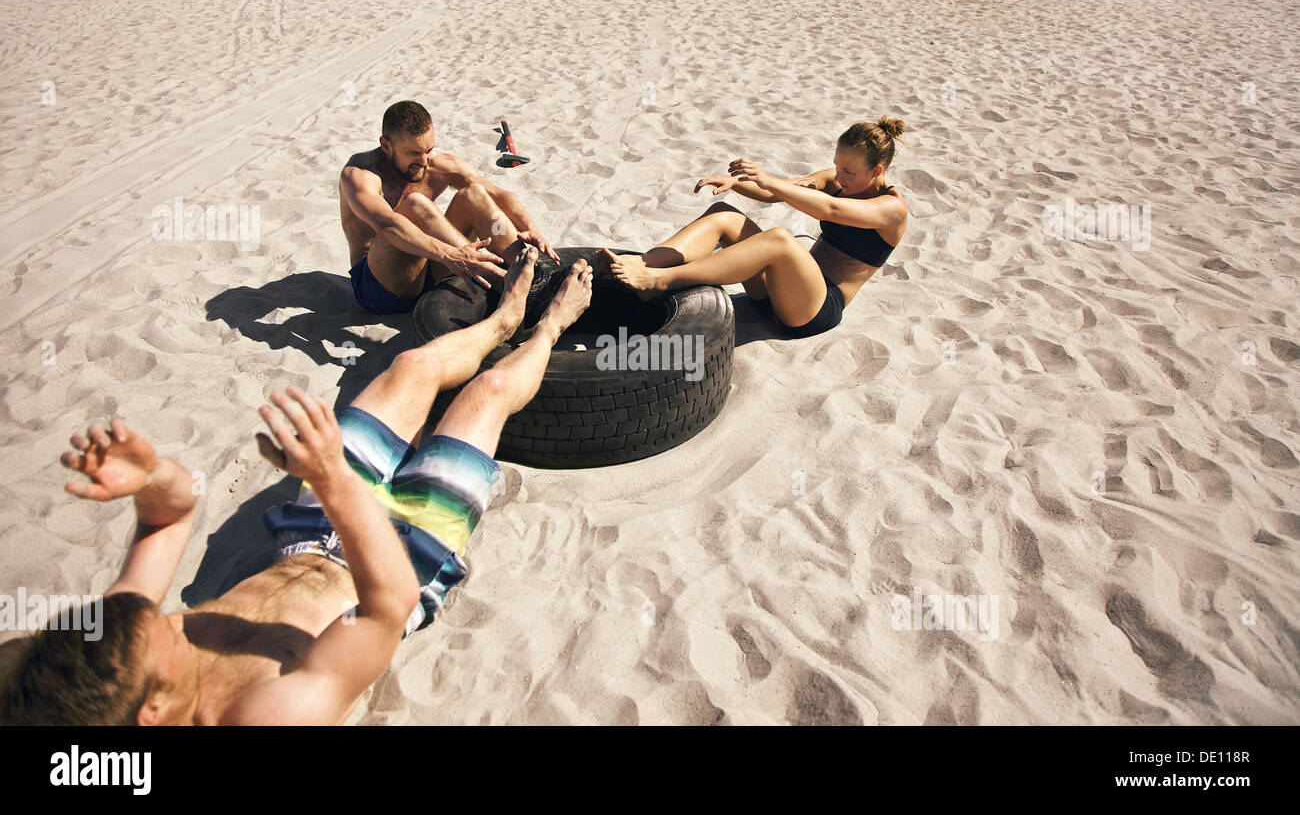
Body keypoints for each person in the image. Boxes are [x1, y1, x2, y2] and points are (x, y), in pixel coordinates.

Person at [0, 243, 594, 725]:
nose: (166, 617)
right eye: (166, 631)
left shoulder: (113, 649)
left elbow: (167, 518)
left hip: (308, 537)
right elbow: (390, 609)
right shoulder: (268, 712)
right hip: (404, 560)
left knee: (412, 367)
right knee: (486, 396)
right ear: (152, 713)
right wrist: (333, 479)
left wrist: (152, 477)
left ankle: (502, 320)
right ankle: (547, 329)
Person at [603, 117, 909, 338]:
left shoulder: (892, 210)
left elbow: (832, 208)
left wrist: (767, 178)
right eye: (837, 165)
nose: (839, 176)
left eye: (849, 172)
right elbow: (776, 191)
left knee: (780, 239)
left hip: (814, 310)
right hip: (780, 290)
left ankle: (660, 280)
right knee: (725, 215)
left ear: (877, 171)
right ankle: (644, 265)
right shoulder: (837, 180)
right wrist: (736, 183)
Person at [339, 99, 561, 314]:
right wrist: (450, 254)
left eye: (429, 150)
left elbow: (500, 195)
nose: (425, 160)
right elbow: (387, 226)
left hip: (430, 265)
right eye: (414, 153)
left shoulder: (439, 165)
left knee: (473, 194)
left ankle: (531, 273)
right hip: (380, 287)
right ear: (386, 145)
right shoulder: (360, 175)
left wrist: (529, 226)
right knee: (415, 204)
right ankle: (504, 283)